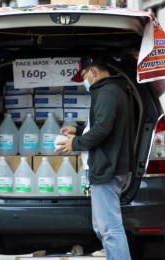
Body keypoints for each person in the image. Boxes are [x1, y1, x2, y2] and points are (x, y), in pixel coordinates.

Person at [56, 55, 132, 260]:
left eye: (83, 76)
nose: (84, 82)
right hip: (108, 165)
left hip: (107, 166)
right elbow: (102, 126)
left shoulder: (107, 93)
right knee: (102, 226)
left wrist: (75, 143)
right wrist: (79, 130)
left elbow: (102, 130)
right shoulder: (112, 91)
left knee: (109, 228)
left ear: (93, 71)